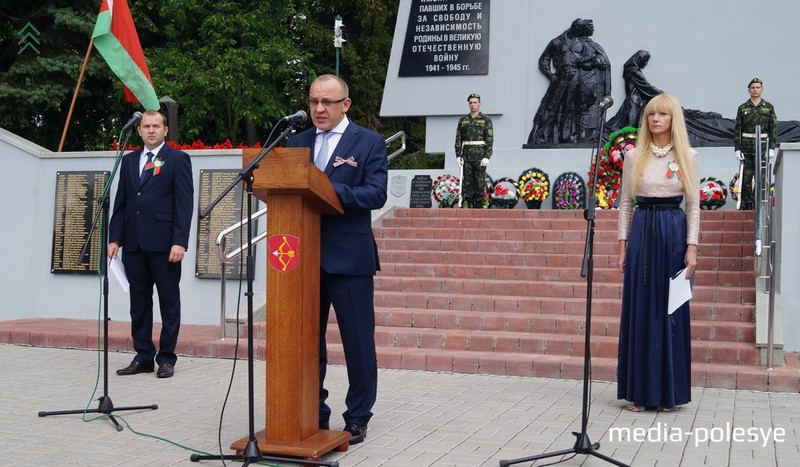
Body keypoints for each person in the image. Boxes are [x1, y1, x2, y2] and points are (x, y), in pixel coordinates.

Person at [287, 74, 388, 444]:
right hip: (304, 258)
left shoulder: (369, 142)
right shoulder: (295, 142)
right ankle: (314, 411)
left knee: (357, 343)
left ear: (345, 104)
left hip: (350, 258)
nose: (318, 109)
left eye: (327, 102)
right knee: (307, 343)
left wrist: (326, 189)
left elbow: (375, 194)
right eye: (314, 101)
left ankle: (358, 415)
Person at [616, 94, 699, 412]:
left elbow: (693, 204)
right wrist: (622, 243)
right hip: (642, 232)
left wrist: (692, 246)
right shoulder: (634, 155)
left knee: (671, 310)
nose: (655, 119)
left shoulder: (687, 156)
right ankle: (638, 391)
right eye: (651, 114)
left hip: (674, 234)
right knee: (640, 308)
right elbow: (625, 202)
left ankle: (669, 392)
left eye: (663, 114)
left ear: (673, 119)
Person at [109, 110, 194, 379]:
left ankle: (166, 358)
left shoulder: (178, 159)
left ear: (166, 130)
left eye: (157, 126)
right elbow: (121, 202)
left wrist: (180, 241)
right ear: (139, 130)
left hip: (164, 245)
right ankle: (144, 355)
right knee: (139, 303)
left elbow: (184, 204)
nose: (151, 130)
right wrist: (115, 238)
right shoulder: (130, 160)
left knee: (169, 303)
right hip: (134, 245)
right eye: (146, 126)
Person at [527, 18, 611, 145]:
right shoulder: (556, 42)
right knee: (551, 107)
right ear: (575, 28)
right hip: (561, 77)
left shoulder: (581, 43)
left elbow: (588, 59)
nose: (581, 32)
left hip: (576, 78)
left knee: (571, 109)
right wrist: (550, 75)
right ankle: (541, 136)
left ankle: (567, 136)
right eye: (579, 30)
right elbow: (543, 60)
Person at [734, 77, 778, 210]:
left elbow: (773, 128)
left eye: (758, 87)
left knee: (761, 177)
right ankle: (747, 205)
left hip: (763, 147)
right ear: (748, 90)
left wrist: (772, 148)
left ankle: (759, 205)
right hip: (747, 148)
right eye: (753, 87)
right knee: (746, 179)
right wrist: (737, 149)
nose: (755, 90)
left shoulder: (769, 108)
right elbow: (738, 129)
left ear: (762, 89)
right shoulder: (742, 108)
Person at [606, 50, 662, 131]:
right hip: (635, 101)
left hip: (634, 100)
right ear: (639, 60)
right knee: (632, 128)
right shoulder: (634, 72)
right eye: (645, 61)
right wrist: (661, 93)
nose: (645, 63)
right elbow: (646, 87)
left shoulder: (631, 70)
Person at [454, 93, 493, 208]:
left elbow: (489, 139)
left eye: (475, 102)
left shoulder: (486, 120)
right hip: (466, 154)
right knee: (468, 181)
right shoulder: (463, 120)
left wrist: (487, 156)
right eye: (471, 103)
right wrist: (458, 155)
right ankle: (469, 202)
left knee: (480, 180)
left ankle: (479, 204)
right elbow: (458, 139)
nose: (473, 105)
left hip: (480, 155)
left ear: (479, 104)